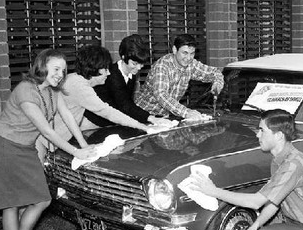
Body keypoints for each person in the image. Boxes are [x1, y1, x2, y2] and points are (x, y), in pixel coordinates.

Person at [0, 49, 96, 230]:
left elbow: (68, 116)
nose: (60, 74)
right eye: (56, 69)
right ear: (42, 67)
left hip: (25, 147)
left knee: (41, 200)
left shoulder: (52, 91)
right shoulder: (26, 91)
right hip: (5, 146)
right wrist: (75, 151)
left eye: (63, 70)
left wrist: (83, 145)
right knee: (11, 204)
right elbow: (47, 131)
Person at [35, 44, 172, 161]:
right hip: (39, 142)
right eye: (105, 69)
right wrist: (144, 127)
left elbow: (69, 118)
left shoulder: (74, 79)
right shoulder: (80, 86)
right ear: (95, 68)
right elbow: (107, 112)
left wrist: (84, 145)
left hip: (48, 141)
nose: (108, 73)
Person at [134, 33, 224, 120]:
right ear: (174, 50)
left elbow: (215, 72)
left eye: (192, 53)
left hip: (165, 116)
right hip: (144, 115)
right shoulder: (162, 66)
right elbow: (161, 94)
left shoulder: (191, 64)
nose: (188, 58)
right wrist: (186, 112)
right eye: (185, 53)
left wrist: (217, 83)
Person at [83, 34, 162, 128]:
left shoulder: (131, 73)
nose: (139, 68)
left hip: (110, 122)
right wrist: (151, 118)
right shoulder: (112, 74)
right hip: (92, 123)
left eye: (141, 64)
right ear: (124, 57)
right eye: (135, 63)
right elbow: (125, 105)